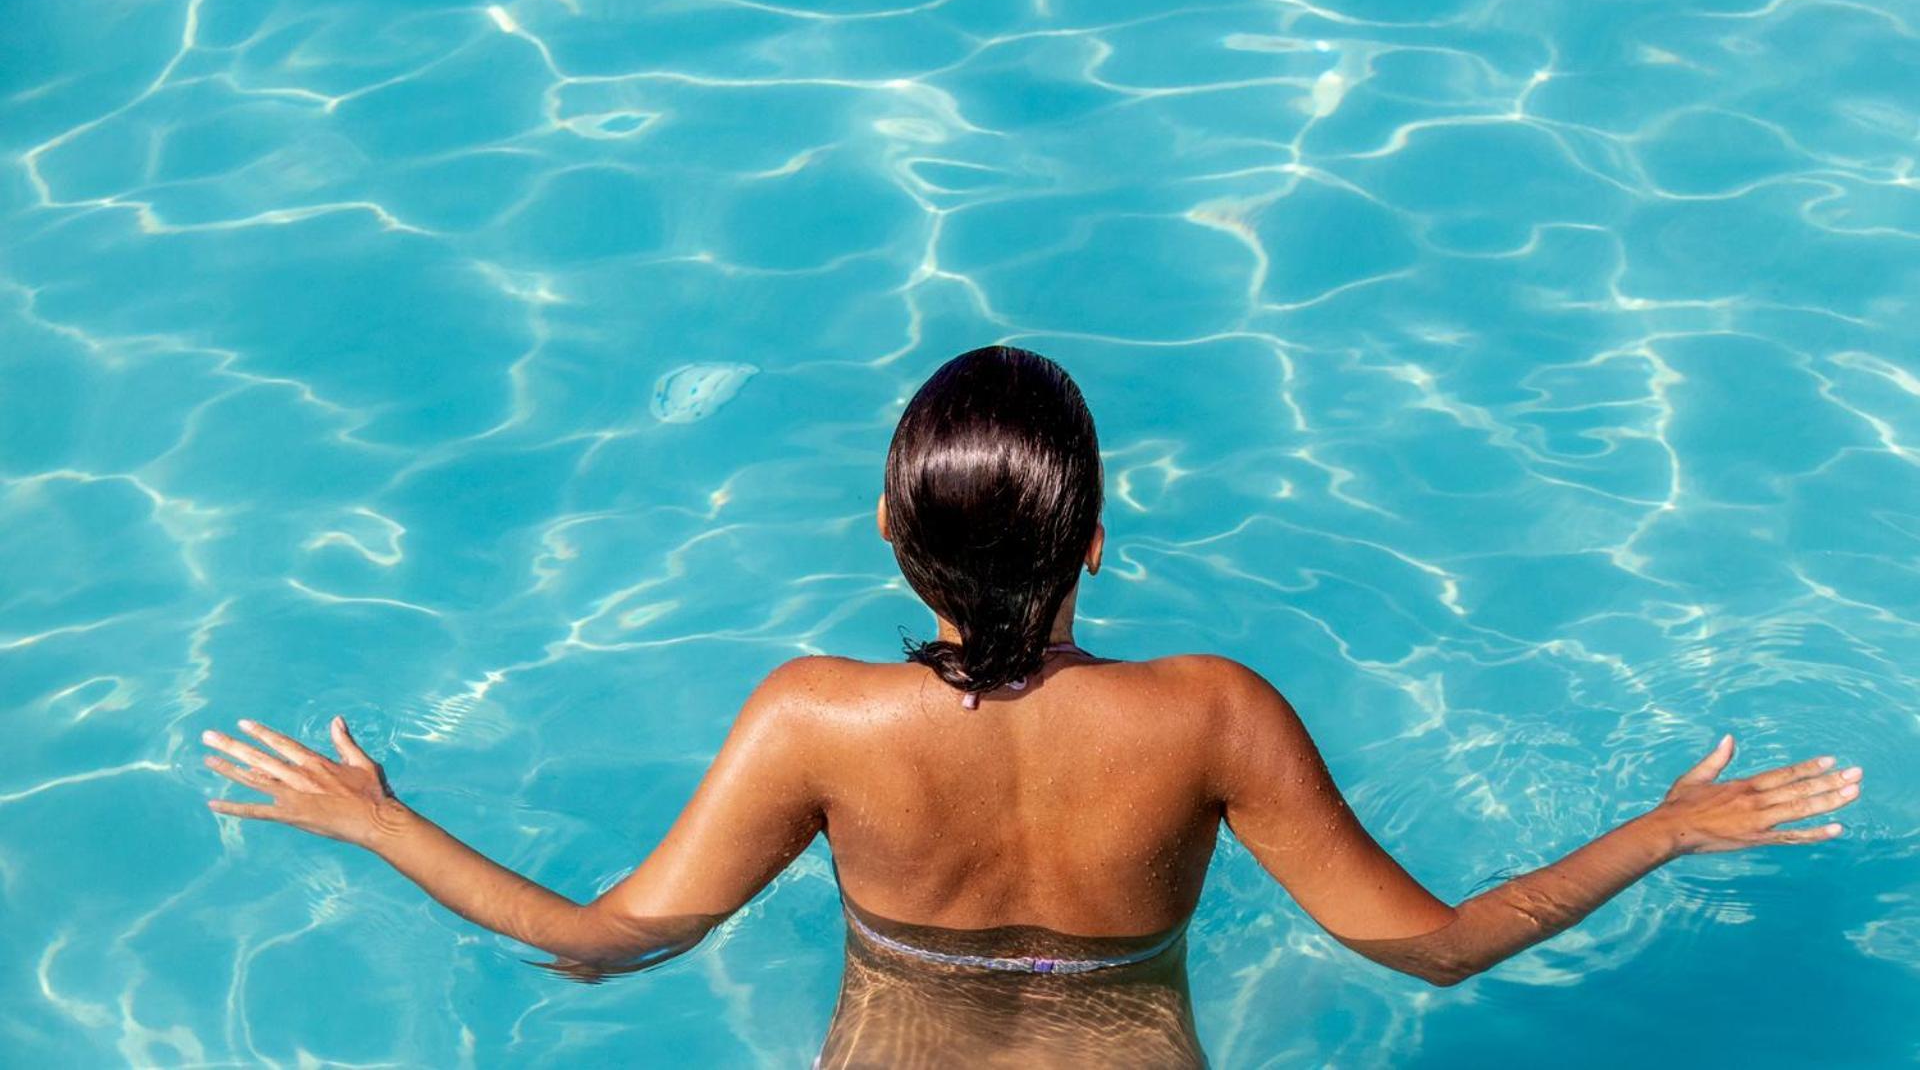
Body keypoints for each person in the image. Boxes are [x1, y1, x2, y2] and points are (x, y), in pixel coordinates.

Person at [204, 345, 1862, 1067]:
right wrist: (1665, 826)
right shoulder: (1214, 715)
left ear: (886, 536)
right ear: (1096, 541)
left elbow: (603, 940)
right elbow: (1428, 948)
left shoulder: (815, 722)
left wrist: (373, 816)